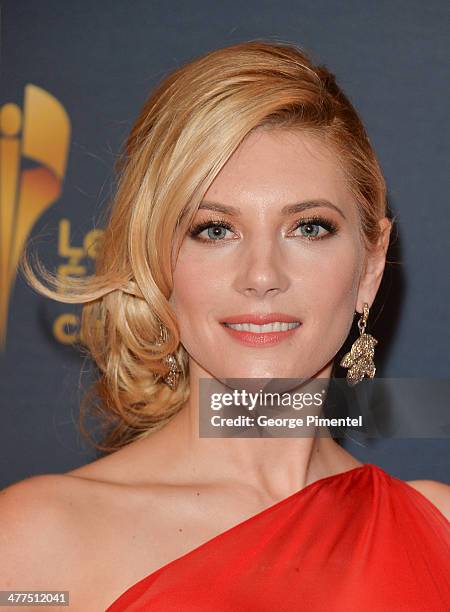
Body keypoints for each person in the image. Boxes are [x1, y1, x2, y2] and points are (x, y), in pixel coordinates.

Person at [1, 40, 449, 611]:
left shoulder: (439, 529)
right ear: (156, 259)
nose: (261, 276)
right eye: (214, 230)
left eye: (309, 228)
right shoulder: (35, 543)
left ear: (371, 264)